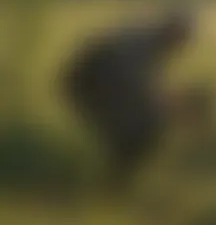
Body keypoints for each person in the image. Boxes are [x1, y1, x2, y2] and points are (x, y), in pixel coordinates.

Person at [62, 10, 195, 189]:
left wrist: (166, 100)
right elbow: (133, 84)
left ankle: (115, 180)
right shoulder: (144, 44)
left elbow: (145, 85)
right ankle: (112, 183)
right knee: (140, 127)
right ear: (172, 31)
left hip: (101, 84)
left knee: (141, 126)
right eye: (182, 38)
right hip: (90, 86)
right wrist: (169, 103)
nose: (182, 46)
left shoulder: (153, 43)